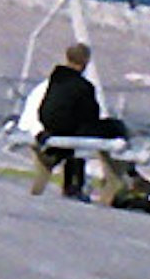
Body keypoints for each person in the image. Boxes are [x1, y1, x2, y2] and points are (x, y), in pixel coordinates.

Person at [26, 39, 124, 200]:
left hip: (50, 127)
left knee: (75, 137)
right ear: (84, 62)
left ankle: (59, 164)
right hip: (68, 130)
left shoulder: (54, 81)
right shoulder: (82, 86)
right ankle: (116, 177)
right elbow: (91, 114)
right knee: (112, 128)